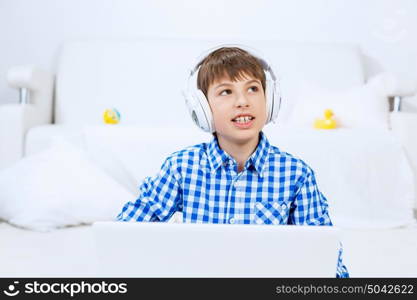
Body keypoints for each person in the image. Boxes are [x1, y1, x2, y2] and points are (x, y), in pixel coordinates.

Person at [116, 45, 349, 278]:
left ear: (270, 100)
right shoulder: (181, 168)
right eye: (226, 92)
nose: (243, 101)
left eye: (253, 89)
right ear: (202, 108)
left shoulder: (296, 174)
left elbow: (324, 256)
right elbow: (127, 233)